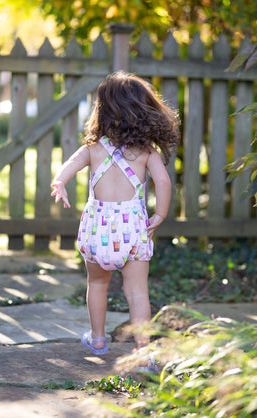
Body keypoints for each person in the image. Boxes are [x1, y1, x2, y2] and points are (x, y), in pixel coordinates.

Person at [51, 71, 179, 370]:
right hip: (133, 229)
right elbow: (163, 183)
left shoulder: (93, 148)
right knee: (136, 291)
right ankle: (143, 352)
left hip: (98, 229)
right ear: (144, 112)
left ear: (103, 111)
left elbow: (68, 167)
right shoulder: (148, 152)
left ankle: (97, 339)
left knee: (97, 283)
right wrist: (159, 214)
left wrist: (60, 183)